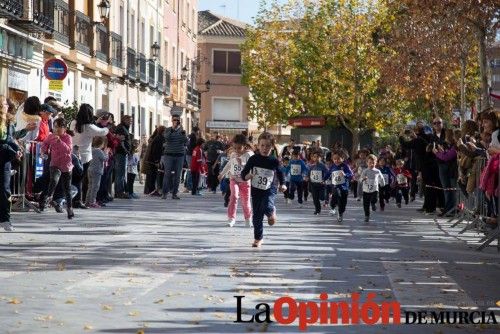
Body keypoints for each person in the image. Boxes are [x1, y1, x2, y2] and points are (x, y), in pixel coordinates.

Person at [241, 132, 286, 248]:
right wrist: (248, 176)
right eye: (262, 145)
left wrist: (283, 184)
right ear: (258, 145)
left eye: (268, 146)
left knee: (266, 204)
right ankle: (258, 239)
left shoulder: (274, 161)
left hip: (270, 188)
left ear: (272, 147)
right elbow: (243, 174)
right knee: (257, 216)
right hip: (256, 190)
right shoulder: (253, 159)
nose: (265, 148)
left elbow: (281, 174)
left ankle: (271, 211)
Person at [70, 104, 110, 208]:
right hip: (85, 156)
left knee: (74, 178)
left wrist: (95, 123)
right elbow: (102, 132)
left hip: (73, 154)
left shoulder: (74, 123)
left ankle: (74, 199)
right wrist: (106, 126)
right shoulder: (89, 127)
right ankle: (78, 201)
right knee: (81, 179)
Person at [39, 118, 74, 219]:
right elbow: (45, 144)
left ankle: (70, 208)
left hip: (66, 165)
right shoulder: (51, 136)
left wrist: (60, 142)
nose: (57, 129)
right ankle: (49, 197)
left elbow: (68, 150)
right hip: (54, 163)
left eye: (59, 127)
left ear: (64, 128)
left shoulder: (68, 137)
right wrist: (43, 151)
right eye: (55, 126)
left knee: (67, 188)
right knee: (54, 179)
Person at [218, 134, 254, 227]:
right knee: (233, 196)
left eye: (239, 148)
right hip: (234, 179)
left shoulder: (249, 155)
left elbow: (251, 169)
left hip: (245, 181)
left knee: (246, 201)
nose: (237, 150)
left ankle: (248, 218)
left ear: (245, 146)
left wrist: (242, 163)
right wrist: (222, 174)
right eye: (235, 148)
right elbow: (229, 164)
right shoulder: (233, 154)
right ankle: (231, 218)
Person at [0, 95, 21, 231]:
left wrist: (17, 149)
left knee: (5, 190)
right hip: (5, 155)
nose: (7, 106)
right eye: (4, 104)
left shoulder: (9, 122)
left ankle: (5, 219)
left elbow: (11, 139)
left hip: (5, 161)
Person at [161, 115, 188, 199]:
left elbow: (185, 142)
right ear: (172, 121)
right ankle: (164, 193)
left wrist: (183, 134)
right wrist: (173, 129)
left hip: (179, 155)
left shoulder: (182, 131)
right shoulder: (168, 129)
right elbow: (167, 138)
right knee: (167, 174)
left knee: (177, 175)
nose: (176, 121)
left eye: (177, 120)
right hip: (169, 155)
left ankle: (174, 193)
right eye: (174, 120)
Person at [328, 150, 353, 222]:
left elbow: (351, 175)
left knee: (343, 202)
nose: (336, 160)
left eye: (338, 159)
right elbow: (328, 174)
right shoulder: (332, 166)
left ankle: (340, 213)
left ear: (343, 158)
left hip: (344, 187)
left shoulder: (345, 166)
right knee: (334, 198)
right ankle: (333, 207)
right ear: (332, 159)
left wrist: (345, 175)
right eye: (334, 159)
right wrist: (324, 179)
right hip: (335, 186)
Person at [360, 154, 385, 223]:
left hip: (374, 189)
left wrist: (382, 184)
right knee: (366, 204)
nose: (371, 164)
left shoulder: (377, 171)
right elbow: (360, 179)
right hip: (366, 190)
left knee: (374, 199)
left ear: (376, 163)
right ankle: (366, 216)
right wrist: (363, 179)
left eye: (373, 163)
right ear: (367, 163)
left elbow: (381, 178)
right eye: (370, 163)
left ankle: (373, 204)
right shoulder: (365, 171)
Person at [142, 126, 166, 196]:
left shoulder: (159, 138)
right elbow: (156, 151)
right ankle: (151, 190)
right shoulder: (159, 139)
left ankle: (151, 190)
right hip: (152, 160)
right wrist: (156, 161)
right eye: (165, 131)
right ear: (162, 131)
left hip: (152, 159)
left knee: (152, 175)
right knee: (152, 176)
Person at [113, 115, 132, 199]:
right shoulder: (121, 128)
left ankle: (121, 191)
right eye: (129, 120)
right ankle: (119, 192)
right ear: (124, 120)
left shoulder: (124, 128)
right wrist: (126, 151)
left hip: (123, 153)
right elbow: (121, 142)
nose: (131, 122)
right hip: (120, 153)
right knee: (120, 174)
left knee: (121, 173)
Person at [86, 137, 108, 208]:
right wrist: (106, 153)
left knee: (90, 186)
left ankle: (87, 201)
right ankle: (92, 202)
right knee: (95, 187)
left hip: (90, 169)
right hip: (97, 171)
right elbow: (105, 159)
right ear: (101, 144)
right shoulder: (99, 151)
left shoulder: (91, 150)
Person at [306, 149, 329, 216]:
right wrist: (307, 177)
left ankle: (325, 199)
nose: (316, 158)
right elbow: (309, 174)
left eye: (317, 157)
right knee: (315, 199)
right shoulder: (311, 166)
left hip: (321, 185)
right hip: (313, 184)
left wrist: (324, 180)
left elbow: (327, 173)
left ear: (320, 158)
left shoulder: (323, 166)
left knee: (322, 197)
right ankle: (317, 210)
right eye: (314, 157)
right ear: (312, 157)